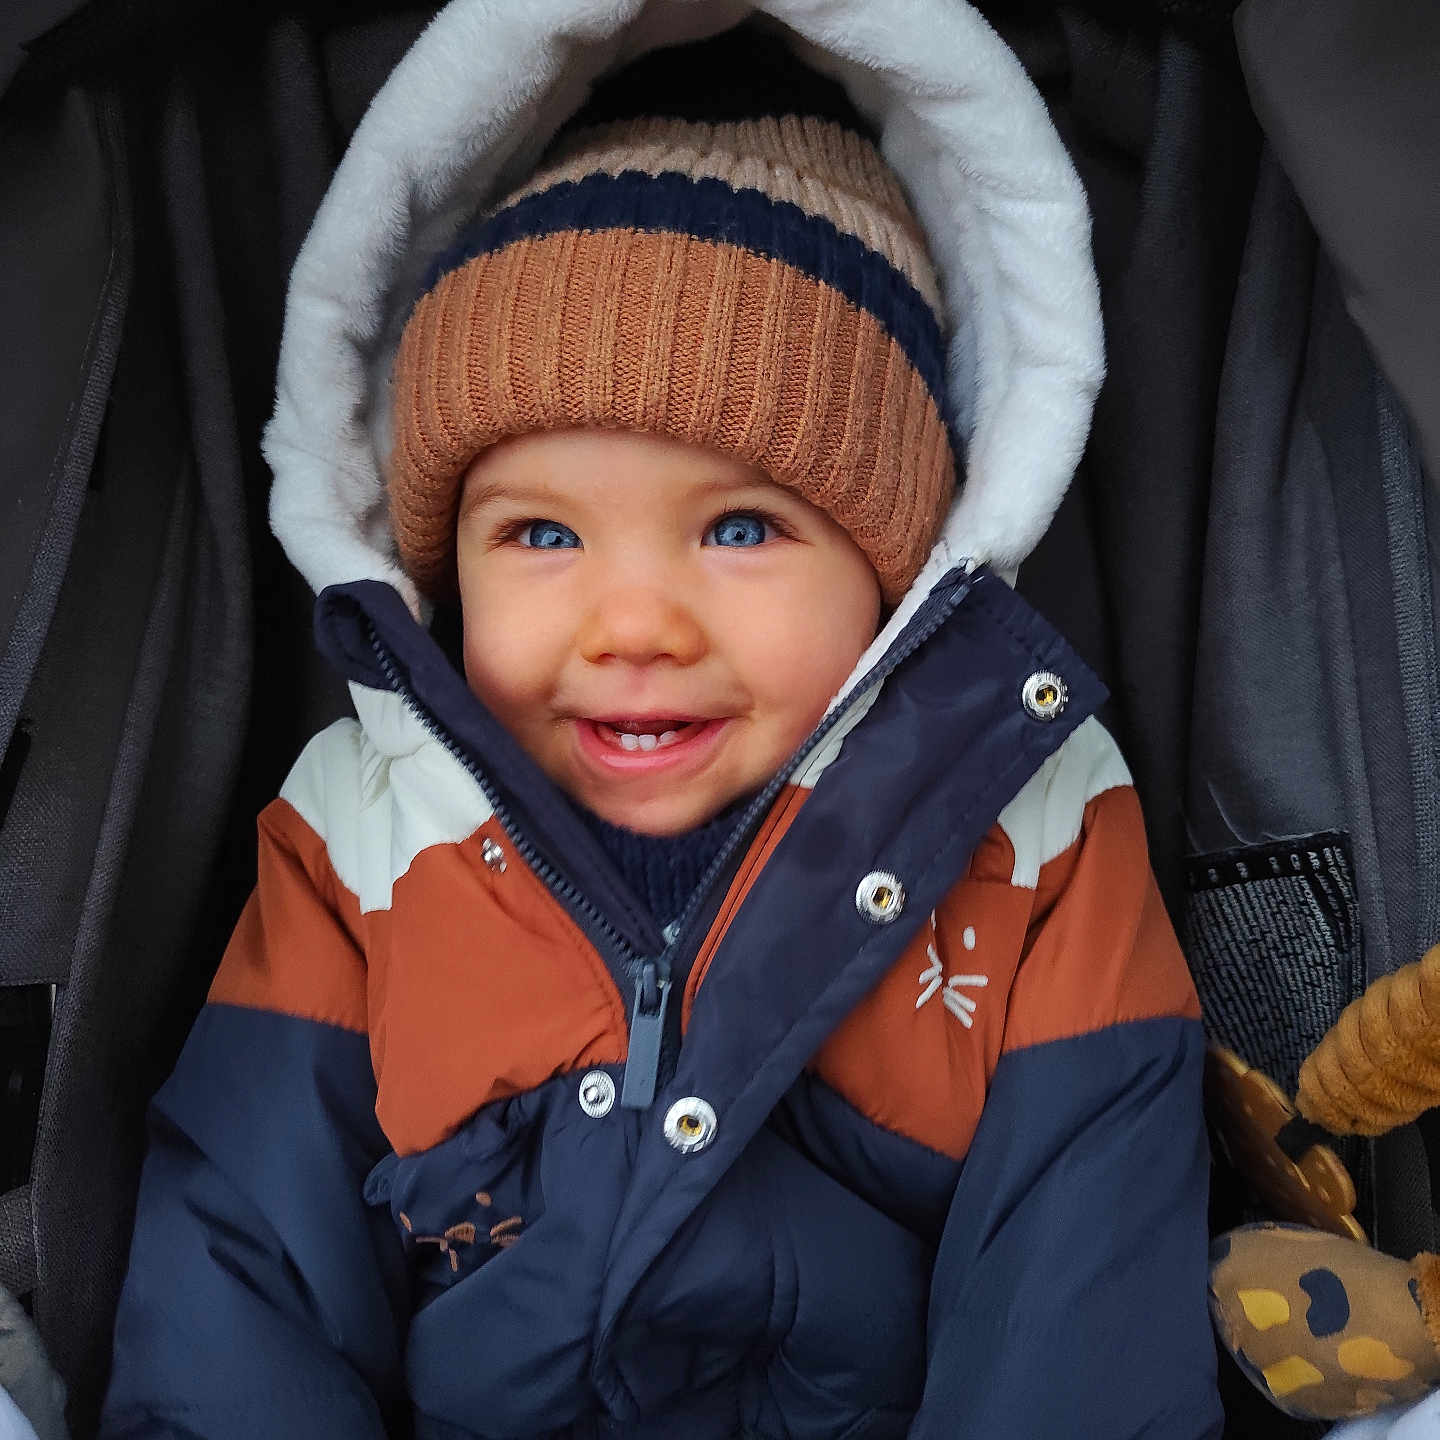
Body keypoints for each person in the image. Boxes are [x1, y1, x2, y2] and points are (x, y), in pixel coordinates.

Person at [99, 5, 1223, 1437]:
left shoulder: (1033, 828)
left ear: (898, 566)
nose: (633, 625)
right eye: (542, 539)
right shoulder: (362, 831)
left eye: (742, 527)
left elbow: (1082, 1295)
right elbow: (244, 1258)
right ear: (441, 570)